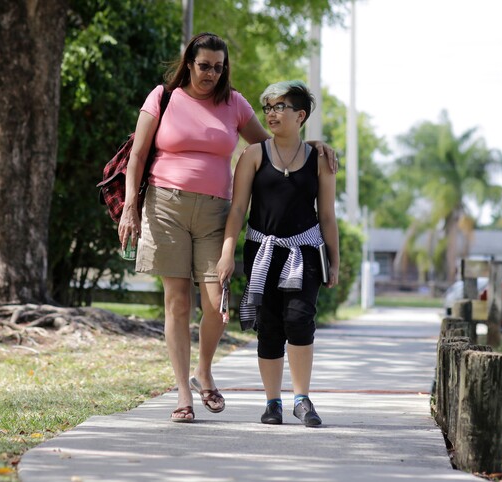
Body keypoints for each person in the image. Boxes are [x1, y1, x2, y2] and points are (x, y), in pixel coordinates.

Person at [119, 33, 337, 423]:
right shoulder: (163, 98)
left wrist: (313, 143)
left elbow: (274, 146)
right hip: (165, 205)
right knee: (177, 302)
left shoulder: (233, 103)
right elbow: (137, 154)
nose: (211, 74)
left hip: (215, 212)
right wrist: (130, 207)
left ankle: (204, 368)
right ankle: (184, 394)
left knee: (217, 306)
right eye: (204, 65)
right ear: (189, 63)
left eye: (219, 67)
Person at [217, 80, 339, 427]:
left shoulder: (321, 160)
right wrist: (228, 252)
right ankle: (273, 403)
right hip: (262, 251)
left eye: (280, 107)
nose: (271, 113)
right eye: (268, 107)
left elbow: (328, 215)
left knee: (300, 320)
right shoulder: (253, 155)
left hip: (306, 251)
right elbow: (238, 210)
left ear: (300, 115)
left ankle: (302, 399)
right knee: (268, 327)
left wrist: (335, 261)